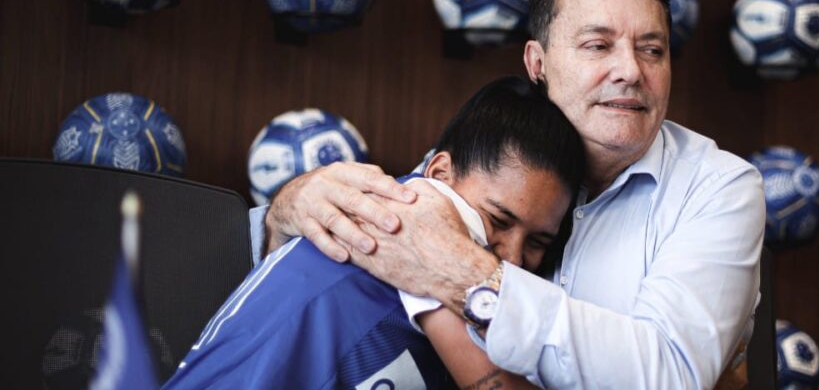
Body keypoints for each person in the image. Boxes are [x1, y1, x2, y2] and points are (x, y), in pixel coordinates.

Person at [256, 0, 765, 388]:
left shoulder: (721, 187)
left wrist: (471, 277)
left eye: (652, 50)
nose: (631, 71)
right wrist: (287, 207)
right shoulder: (497, 147)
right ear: (537, 64)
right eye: (598, 45)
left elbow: (669, 376)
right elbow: (370, 237)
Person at [166, 77, 585, 389]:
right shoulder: (373, 252)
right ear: (439, 173)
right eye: (499, 220)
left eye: (537, 243)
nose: (511, 258)